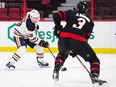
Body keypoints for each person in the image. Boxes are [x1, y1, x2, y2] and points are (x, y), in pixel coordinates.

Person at [52, 1, 107, 85]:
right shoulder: (90, 22)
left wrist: (58, 28)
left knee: (62, 54)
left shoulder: (71, 13)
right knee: (94, 60)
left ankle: (57, 68)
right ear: (87, 10)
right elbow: (85, 38)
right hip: (78, 41)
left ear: (77, 8)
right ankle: (95, 76)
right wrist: (76, 50)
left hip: (63, 38)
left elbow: (56, 15)